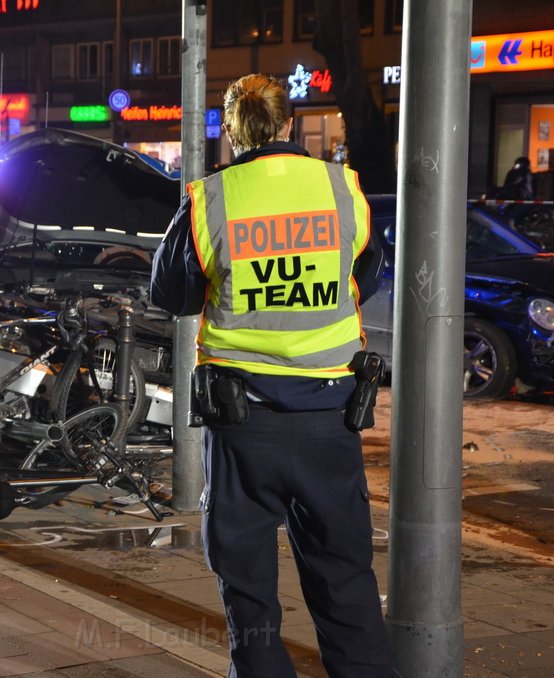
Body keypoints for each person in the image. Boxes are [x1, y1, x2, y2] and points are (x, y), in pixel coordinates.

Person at [150, 74, 394, 676]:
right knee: (344, 576)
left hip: (242, 422)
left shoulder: (212, 199)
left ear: (232, 132)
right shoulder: (341, 188)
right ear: (289, 124)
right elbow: (369, 273)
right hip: (329, 418)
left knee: (249, 586)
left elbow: (171, 294)